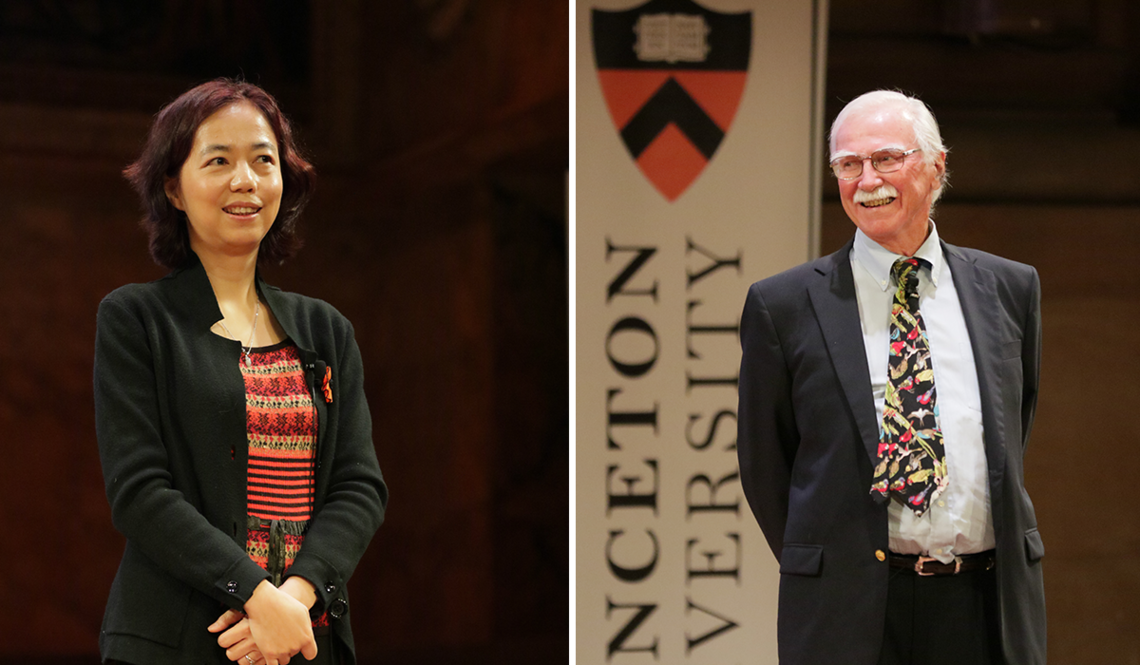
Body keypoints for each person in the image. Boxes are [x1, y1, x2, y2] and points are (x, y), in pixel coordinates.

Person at [737, 90, 1046, 665]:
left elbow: (1011, 433)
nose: (866, 180)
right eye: (848, 165)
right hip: (850, 612)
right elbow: (765, 463)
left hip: (984, 604)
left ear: (936, 167)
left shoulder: (1010, 289)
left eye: (885, 159)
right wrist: (837, 557)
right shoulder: (782, 305)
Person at [94, 78, 388, 665]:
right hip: (181, 642)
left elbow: (360, 488)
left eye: (262, 160)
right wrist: (256, 596)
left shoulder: (326, 329)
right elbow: (140, 492)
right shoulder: (136, 319)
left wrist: (294, 602)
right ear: (174, 188)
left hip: (302, 640)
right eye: (219, 161)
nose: (245, 180)